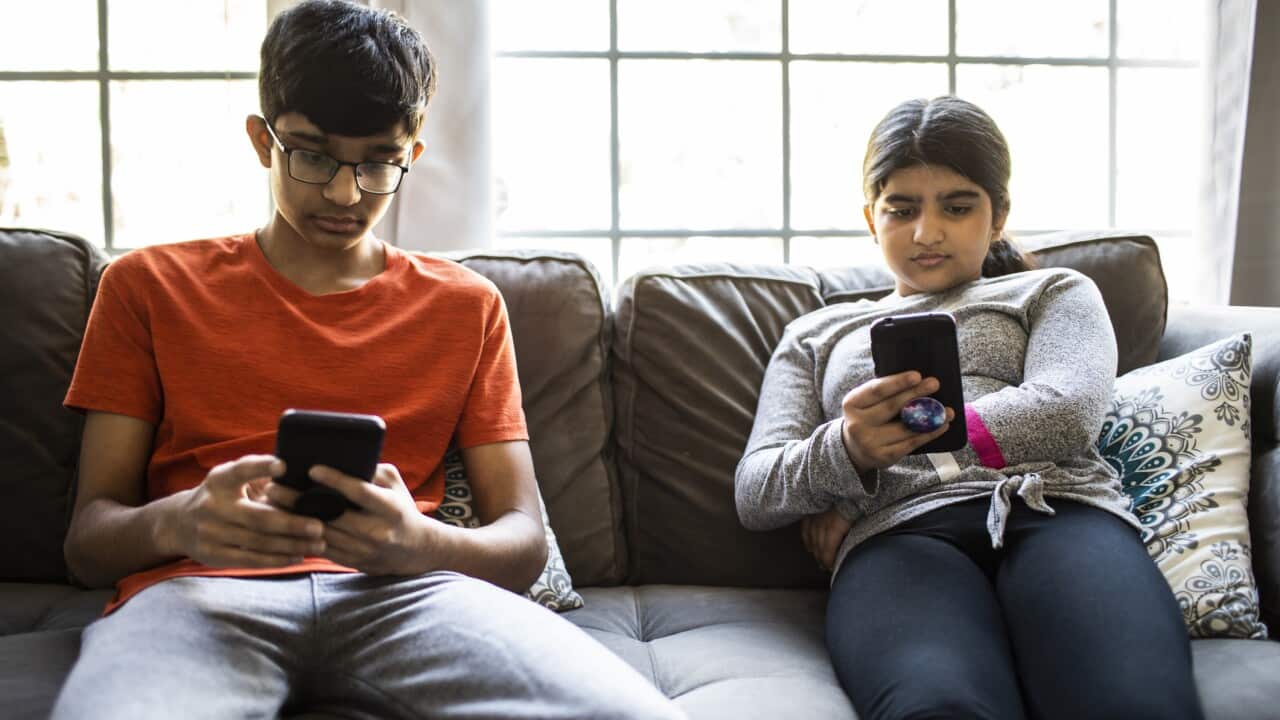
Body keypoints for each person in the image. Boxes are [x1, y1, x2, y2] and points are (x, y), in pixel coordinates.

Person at [52, 2, 683, 718]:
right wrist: (181, 522)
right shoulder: (145, 287)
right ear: (262, 141)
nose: (346, 194)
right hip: (197, 592)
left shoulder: (466, 305)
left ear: (411, 155)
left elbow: (523, 542)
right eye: (313, 154)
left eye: (379, 161)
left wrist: (419, 541)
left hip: (409, 593)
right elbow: (86, 544)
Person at [735, 96, 1204, 720]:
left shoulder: (1054, 291)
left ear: (999, 214)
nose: (927, 233)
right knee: (938, 708)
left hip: (1058, 511)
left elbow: (1067, 410)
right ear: (872, 220)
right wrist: (848, 449)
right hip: (900, 538)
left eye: (957, 207)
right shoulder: (817, 334)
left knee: (1133, 703)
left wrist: (901, 442)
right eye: (901, 210)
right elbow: (756, 489)